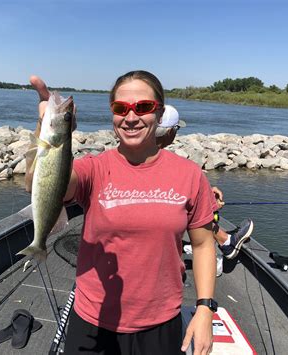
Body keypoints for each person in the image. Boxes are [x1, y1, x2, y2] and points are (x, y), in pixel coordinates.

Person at [28, 71, 217, 355]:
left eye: (142, 107)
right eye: (120, 108)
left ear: (160, 112)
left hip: (160, 321)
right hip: (93, 319)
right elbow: (42, 183)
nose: (131, 117)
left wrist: (204, 309)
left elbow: (203, 245)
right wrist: (49, 128)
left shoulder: (190, 175)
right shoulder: (94, 168)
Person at [155, 106, 254, 260]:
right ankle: (225, 242)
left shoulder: (145, 157)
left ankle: (223, 240)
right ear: (170, 132)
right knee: (197, 209)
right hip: (158, 230)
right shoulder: (173, 164)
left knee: (197, 202)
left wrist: (205, 192)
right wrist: (207, 203)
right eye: (177, 129)